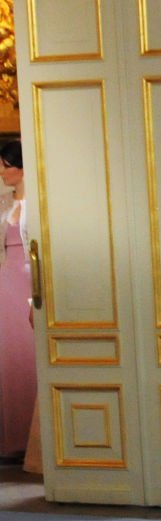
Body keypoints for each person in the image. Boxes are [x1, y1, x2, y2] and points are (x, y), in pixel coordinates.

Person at [0, 140, 37, 464]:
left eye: (6, 165)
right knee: (9, 358)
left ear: (21, 166)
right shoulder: (2, 202)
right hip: (7, 281)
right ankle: (11, 440)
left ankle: (35, 439)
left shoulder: (39, 202)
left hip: (31, 277)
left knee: (31, 355)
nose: (1, 172)